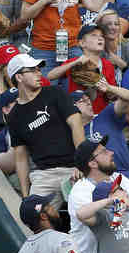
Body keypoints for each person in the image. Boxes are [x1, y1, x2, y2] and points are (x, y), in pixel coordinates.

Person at [7, 53, 86, 206]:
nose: (39, 73)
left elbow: (76, 124)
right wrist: (25, 196)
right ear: (19, 77)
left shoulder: (55, 93)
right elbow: (21, 157)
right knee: (33, 219)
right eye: (33, 70)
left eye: (39, 69)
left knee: (87, 212)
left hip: (74, 168)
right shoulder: (14, 116)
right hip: (43, 175)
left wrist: (82, 163)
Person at [72, 84, 129, 184]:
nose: (89, 102)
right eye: (82, 101)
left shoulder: (106, 115)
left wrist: (109, 88)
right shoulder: (73, 133)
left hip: (127, 177)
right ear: (72, 108)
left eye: (88, 99)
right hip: (100, 184)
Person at [47, 23, 117, 113]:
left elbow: (111, 96)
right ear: (82, 43)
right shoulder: (74, 62)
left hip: (100, 113)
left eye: (102, 36)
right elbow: (50, 76)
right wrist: (74, 63)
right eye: (94, 35)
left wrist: (106, 87)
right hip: (77, 113)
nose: (100, 38)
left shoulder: (108, 65)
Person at [95, 8, 129, 85]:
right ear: (100, 27)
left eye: (116, 24)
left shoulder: (128, 45)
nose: (113, 27)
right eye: (108, 24)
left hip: (128, 91)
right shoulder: (95, 48)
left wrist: (123, 65)